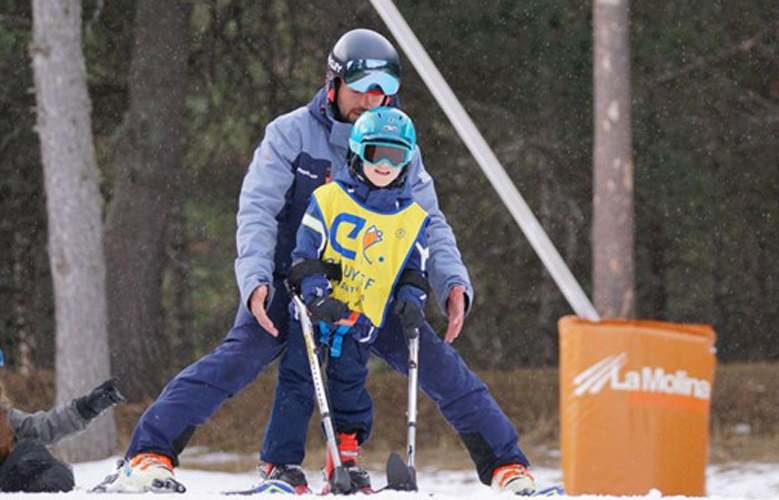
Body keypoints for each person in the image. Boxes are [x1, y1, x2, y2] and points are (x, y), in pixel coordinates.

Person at [95, 28, 535, 495]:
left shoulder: (398, 143)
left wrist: (451, 282)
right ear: (334, 83)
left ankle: (509, 468)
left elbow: (429, 221)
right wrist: (257, 278)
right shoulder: (291, 134)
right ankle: (149, 455)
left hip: (371, 288)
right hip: (294, 285)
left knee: (442, 368)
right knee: (237, 360)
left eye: (384, 93)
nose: (372, 102)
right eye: (362, 90)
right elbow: (258, 211)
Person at [285, 106, 430, 494]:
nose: (385, 164)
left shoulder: (412, 218)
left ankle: (345, 457)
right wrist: (317, 295)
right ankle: (280, 463)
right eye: (375, 153)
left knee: (351, 386)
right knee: (298, 384)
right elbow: (303, 256)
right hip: (318, 315)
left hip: (361, 320)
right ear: (356, 153)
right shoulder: (329, 200)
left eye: (395, 156)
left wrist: (412, 299)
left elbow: (414, 270)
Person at [0, 378, 125, 493]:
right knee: (29, 450)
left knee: (40, 459)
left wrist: (86, 407)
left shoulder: (5, 417)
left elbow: (44, 426)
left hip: (10, 481)